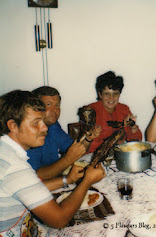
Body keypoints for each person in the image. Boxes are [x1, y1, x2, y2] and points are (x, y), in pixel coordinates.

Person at [0, 90, 105, 236]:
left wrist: (66, 180)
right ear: (13, 126)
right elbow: (59, 220)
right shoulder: (15, 168)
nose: (44, 128)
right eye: (36, 123)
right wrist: (87, 181)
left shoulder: (5, 150)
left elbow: (29, 187)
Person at [27, 86, 101, 183]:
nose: (55, 110)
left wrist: (88, 139)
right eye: (48, 104)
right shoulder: (29, 134)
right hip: (38, 187)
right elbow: (35, 176)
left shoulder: (53, 126)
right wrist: (67, 159)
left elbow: (76, 151)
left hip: (57, 180)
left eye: (57, 105)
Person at [87, 71, 142, 153]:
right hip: (95, 156)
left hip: (118, 155)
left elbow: (136, 142)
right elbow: (89, 145)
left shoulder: (124, 109)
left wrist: (132, 126)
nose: (111, 98)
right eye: (107, 94)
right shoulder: (90, 111)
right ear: (100, 94)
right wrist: (114, 143)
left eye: (115, 94)